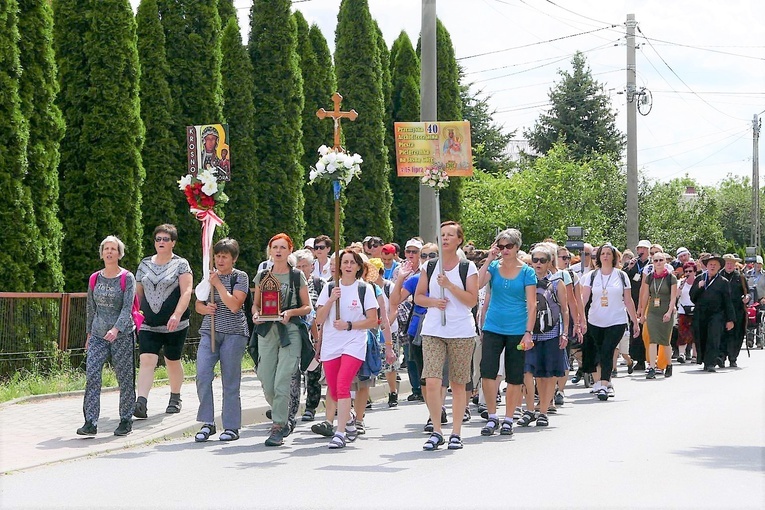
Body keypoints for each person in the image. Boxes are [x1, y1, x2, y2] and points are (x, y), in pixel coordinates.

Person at [415, 221, 479, 451]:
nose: (445, 238)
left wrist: (450, 286)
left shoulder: (467, 267)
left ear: (459, 239)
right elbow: (419, 297)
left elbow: (472, 300)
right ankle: (436, 429)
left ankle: (456, 432)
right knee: (432, 380)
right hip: (434, 329)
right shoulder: (430, 266)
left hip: (460, 330)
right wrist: (434, 301)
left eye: (450, 235)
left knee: (458, 383)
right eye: (442, 234)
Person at [314, 250, 379, 449]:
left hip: (354, 343)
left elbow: (372, 321)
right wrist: (332, 299)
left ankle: (340, 432)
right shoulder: (330, 288)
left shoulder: (364, 289)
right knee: (333, 390)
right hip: (331, 344)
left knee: (343, 384)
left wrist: (350, 325)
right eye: (344, 262)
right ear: (339, 266)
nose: (348, 265)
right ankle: (349, 418)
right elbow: (318, 319)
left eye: (352, 262)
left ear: (359, 266)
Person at [252, 234, 312, 446]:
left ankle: (278, 426)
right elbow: (256, 304)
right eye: (274, 247)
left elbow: (307, 307)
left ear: (289, 251)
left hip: (291, 331)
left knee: (283, 380)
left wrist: (290, 312)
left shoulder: (297, 276)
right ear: (269, 250)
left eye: (282, 247)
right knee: (267, 381)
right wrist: (255, 314)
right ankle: (283, 413)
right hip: (267, 331)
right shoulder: (262, 276)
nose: (278, 251)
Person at [476, 228, 536, 437]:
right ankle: (492, 416)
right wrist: (487, 259)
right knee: (487, 371)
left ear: (517, 247)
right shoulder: (493, 266)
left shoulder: (527, 271)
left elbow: (532, 304)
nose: (504, 250)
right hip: (493, 325)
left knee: (514, 375)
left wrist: (528, 332)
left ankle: (509, 417)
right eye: (500, 246)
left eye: (508, 246)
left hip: (517, 329)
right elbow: (477, 284)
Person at [77, 236, 137, 437]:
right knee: (92, 375)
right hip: (97, 334)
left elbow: (127, 308)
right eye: (106, 249)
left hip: (121, 335)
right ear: (102, 253)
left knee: (124, 377)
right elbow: (90, 308)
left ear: (119, 254)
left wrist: (116, 329)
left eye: (113, 249)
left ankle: (126, 419)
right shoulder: (95, 278)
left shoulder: (126, 278)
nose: (109, 252)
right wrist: (89, 334)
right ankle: (90, 422)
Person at [133, 225, 193, 419]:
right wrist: (135, 314)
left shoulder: (181, 264)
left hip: (174, 324)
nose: (161, 242)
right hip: (148, 324)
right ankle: (141, 402)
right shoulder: (144, 264)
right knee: (146, 359)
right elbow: (138, 292)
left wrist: (176, 314)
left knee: (172, 360)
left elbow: (186, 291)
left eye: (165, 239)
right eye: (158, 239)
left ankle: (175, 397)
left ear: (173, 242)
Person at [194, 238, 249, 443]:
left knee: (230, 379)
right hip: (210, 331)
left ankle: (232, 425)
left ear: (233, 259)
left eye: (224, 256)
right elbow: (198, 304)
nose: (220, 260)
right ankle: (207, 422)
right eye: (217, 256)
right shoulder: (208, 276)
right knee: (202, 373)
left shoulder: (240, 277)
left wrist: (218, 284)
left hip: (234, 332)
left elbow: (234, 304)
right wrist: (204, 308)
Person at [516, 243, 568, 428]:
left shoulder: (556, 282)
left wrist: (565, 333)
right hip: (528, 334)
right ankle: (529, 410)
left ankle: (543, 411)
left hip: (550, 334)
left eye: (542, 260)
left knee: (546, 375)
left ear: (549, 262)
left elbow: (564, 309)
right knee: (527, 372)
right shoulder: (524, 280)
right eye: (535, 260)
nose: (538, 263)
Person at [580, 244, 640, 401]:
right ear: (599, 257)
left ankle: (604, 385)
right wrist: (580, 318)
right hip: (595, 320)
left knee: (608, 350)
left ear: (614, 257)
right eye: (602, 254)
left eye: (608, 253)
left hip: (616, 320)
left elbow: (628, 300)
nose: (605, 256)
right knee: (600, 352)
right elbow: (584, 299)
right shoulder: (592, 276)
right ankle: (604, 382)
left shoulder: (621, 276)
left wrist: (635, 321)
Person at [292, 249, 324, 422]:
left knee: (313, 372)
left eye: (305, 266)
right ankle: (291, 406)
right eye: (298, 266)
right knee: (293, 372)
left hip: (315, 334)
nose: (302, 269)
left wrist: (320, 337)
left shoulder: (320, 284)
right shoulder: (292, 284)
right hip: (294, 333)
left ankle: (311, 407)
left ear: (312, 267)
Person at [690, 254, 736, 372]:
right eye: (710, 264)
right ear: (706, 266)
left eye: (715, 265)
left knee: (713, 337)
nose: (712, 267)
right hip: (701, 314)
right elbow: (692, 297)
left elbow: (728, 302)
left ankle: (711, 362)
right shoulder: (700, 278)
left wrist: (730, 319)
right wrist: (698, 288)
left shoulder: (723, 282)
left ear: (719, 267)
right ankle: (705, 361)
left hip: (717, 315)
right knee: (702, 336)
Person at [637, 252, 678, 378]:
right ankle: (652, 368)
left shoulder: (671, 278)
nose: (658, 263)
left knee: (665, 341)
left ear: (665, 262)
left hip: (666, 310)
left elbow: (673, 298)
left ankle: (669, 365)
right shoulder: (650, 277)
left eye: (661, 260)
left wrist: (669, 311)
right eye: (656, 260)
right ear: (652, 262)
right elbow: (645, 296)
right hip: (653, 311)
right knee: (653, 339)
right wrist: (643, 313)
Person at [624, 239, 651, 371]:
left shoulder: (652, 264)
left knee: (648, 329)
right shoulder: (633, 264)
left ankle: (651, 358)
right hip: (633, 301)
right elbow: (623, 278)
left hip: (649, 300)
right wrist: (629, 268)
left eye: (644, 249)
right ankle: (639, 359)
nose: (641, 251)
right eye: (639, 248)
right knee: (635, 329)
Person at [720, 254, 748, 367]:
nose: (730, 265)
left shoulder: (740, 277)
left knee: (736, 335)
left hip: (737, 310)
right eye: (727, 263)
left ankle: (733, 358)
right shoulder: (719, 276)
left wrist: (747, 298)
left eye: (732, 263)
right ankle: (721, 357)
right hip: (722, 310)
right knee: (722, 334)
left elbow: (748, 292)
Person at [677, 261, 698, 362]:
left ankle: (695, 355)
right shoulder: (680, 282)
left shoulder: (698, 282)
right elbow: (676, 296)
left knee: (695, 333)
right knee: (682, 333)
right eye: (686, 271)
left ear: (695, 272)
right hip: (683, 310)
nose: (688, 273)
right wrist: (680, 286)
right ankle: (681, 354)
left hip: (696, 310)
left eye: (690, 271)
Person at [746, 256, 765, 349]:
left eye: (760, 264)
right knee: (751, 318)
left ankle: (759, 340)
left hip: (761, 300)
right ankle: (749, 340)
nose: (758, 265)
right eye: (757, 264)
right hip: (751, 299)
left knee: (759, 319)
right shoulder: (748, 274)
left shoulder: (764, 275)